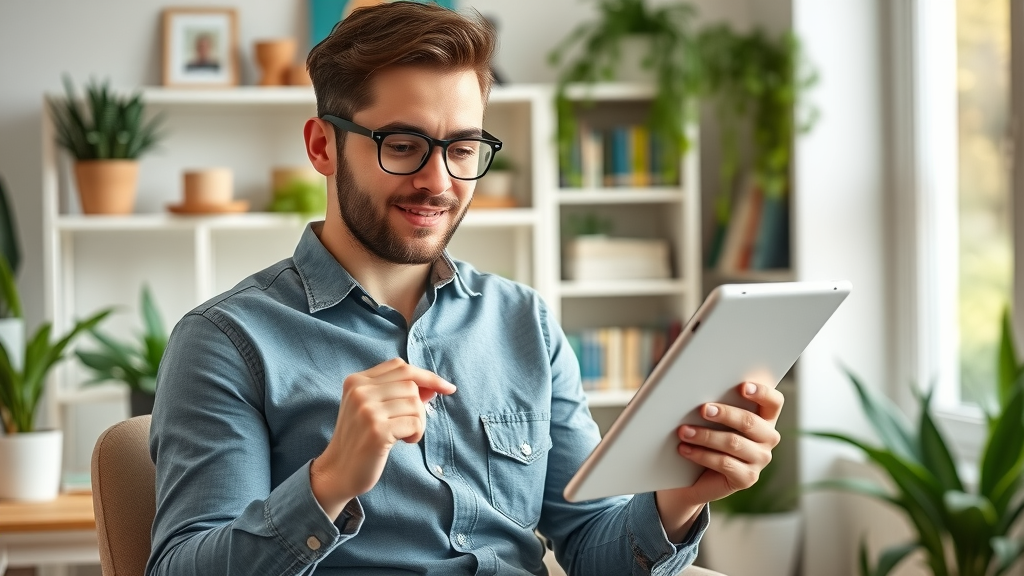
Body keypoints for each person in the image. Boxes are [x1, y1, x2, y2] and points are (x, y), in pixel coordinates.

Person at [146, 2, 783, 575]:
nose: (439, 181)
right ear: (322, 147)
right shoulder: (225, 341)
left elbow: (592, 543)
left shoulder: (524, 321)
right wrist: (329, 479)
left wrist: (680, 497)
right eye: (403, 144)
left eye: (463, 148)